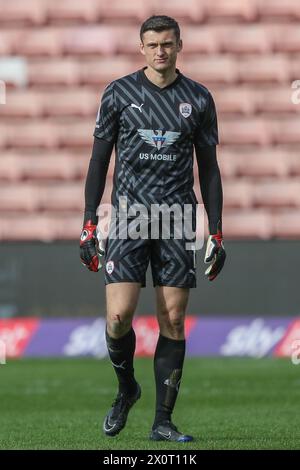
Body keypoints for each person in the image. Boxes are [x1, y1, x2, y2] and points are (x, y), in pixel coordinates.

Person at [80, 15, 226, 443]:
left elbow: (211, 170)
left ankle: (163, 420)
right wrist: (90, 220)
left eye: (167, 43)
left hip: (178, 217)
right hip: (128, 215)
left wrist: (215, 231)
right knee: (119, 316)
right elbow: (98, 161)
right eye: (152, 44)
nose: (160, 51)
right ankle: (127, 388)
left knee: (174, 320)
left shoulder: (198, 98)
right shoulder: (119, 93)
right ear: (141, 48)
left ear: (180, 45)